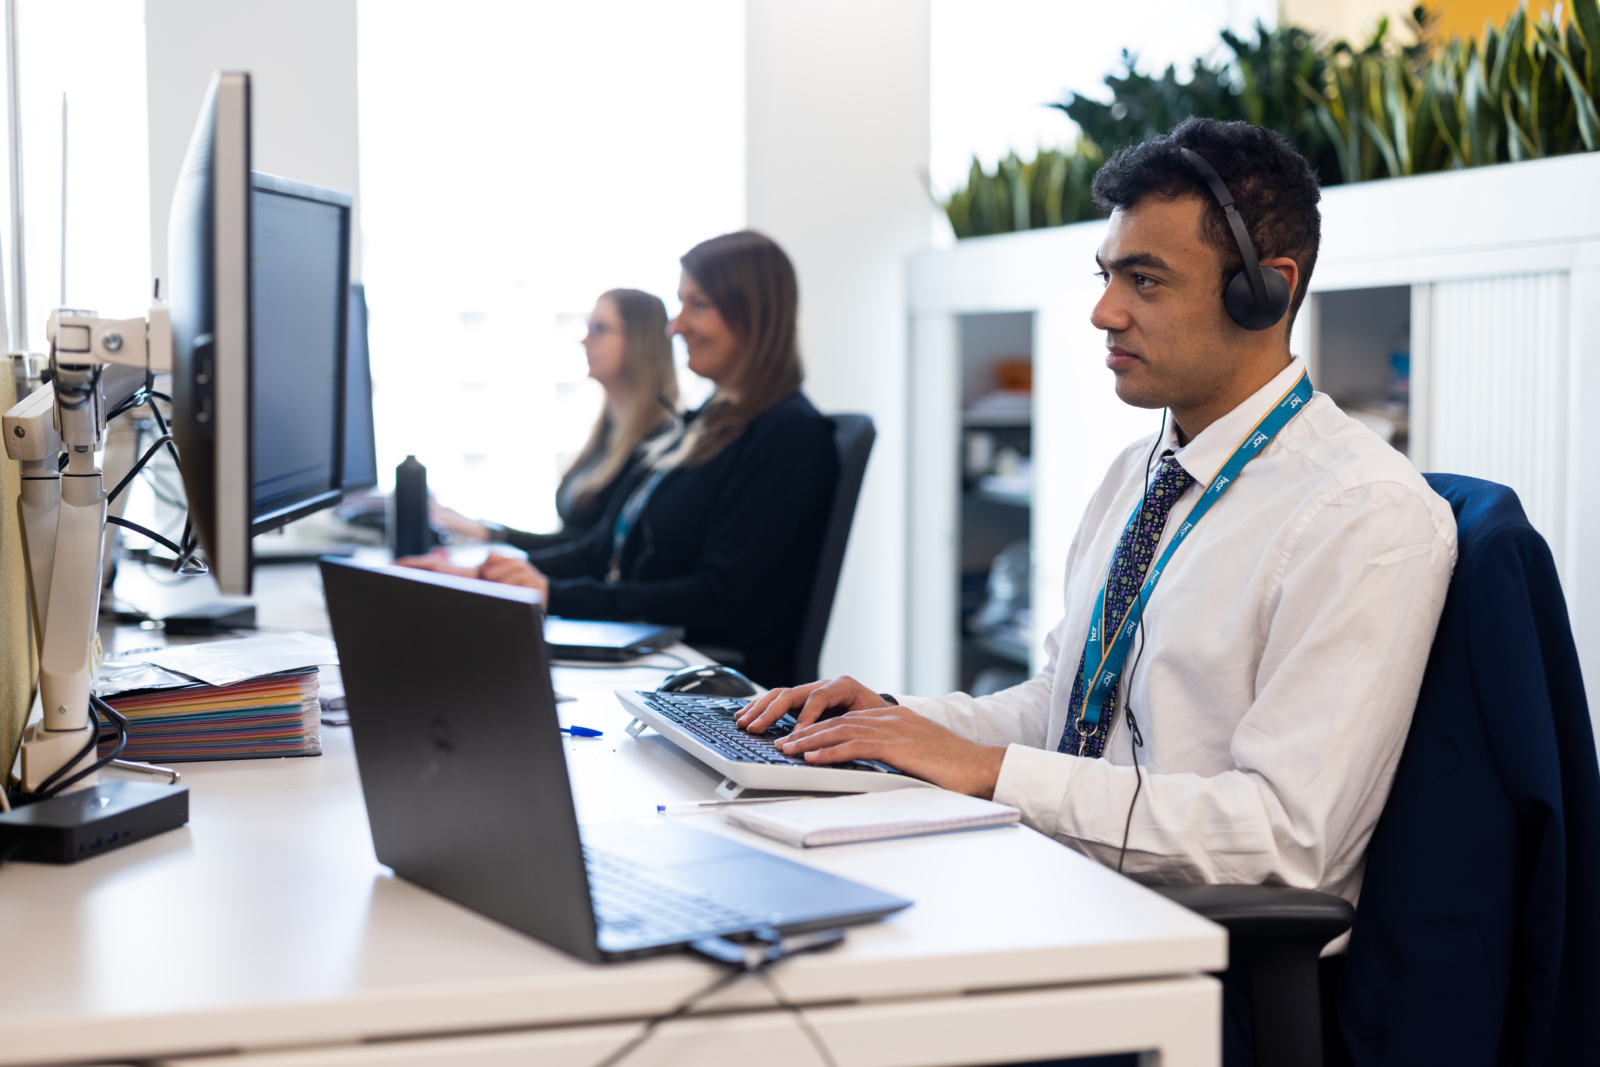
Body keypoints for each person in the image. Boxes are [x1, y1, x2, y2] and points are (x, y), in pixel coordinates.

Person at [738, 118, 1457, 910]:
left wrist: (990, 771)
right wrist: (889, 722)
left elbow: (1284, 838)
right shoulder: (1140, 472)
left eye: (1144, 280)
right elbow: (1067, 703)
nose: (1104, 312)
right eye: (1105, 275)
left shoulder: (1363, 514)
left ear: (1266, 291)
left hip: (1193, 954)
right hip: (1064, 883)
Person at [403, 231, 840, 688]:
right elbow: (601, 549)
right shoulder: (710, 424)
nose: (676, 326)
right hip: (659, 655)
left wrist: (555, 595)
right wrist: (485, 576)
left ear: (754, 314)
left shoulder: (788, 435)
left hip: (715, 685)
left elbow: (716, 598)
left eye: (699, 304)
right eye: (680, 304)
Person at [430, 289, 679, 551]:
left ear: (638, 341)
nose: (584, 339)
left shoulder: (659, 442)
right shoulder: (608, 432)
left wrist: (491, 534)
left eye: (599, 328)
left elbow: (592, 551)